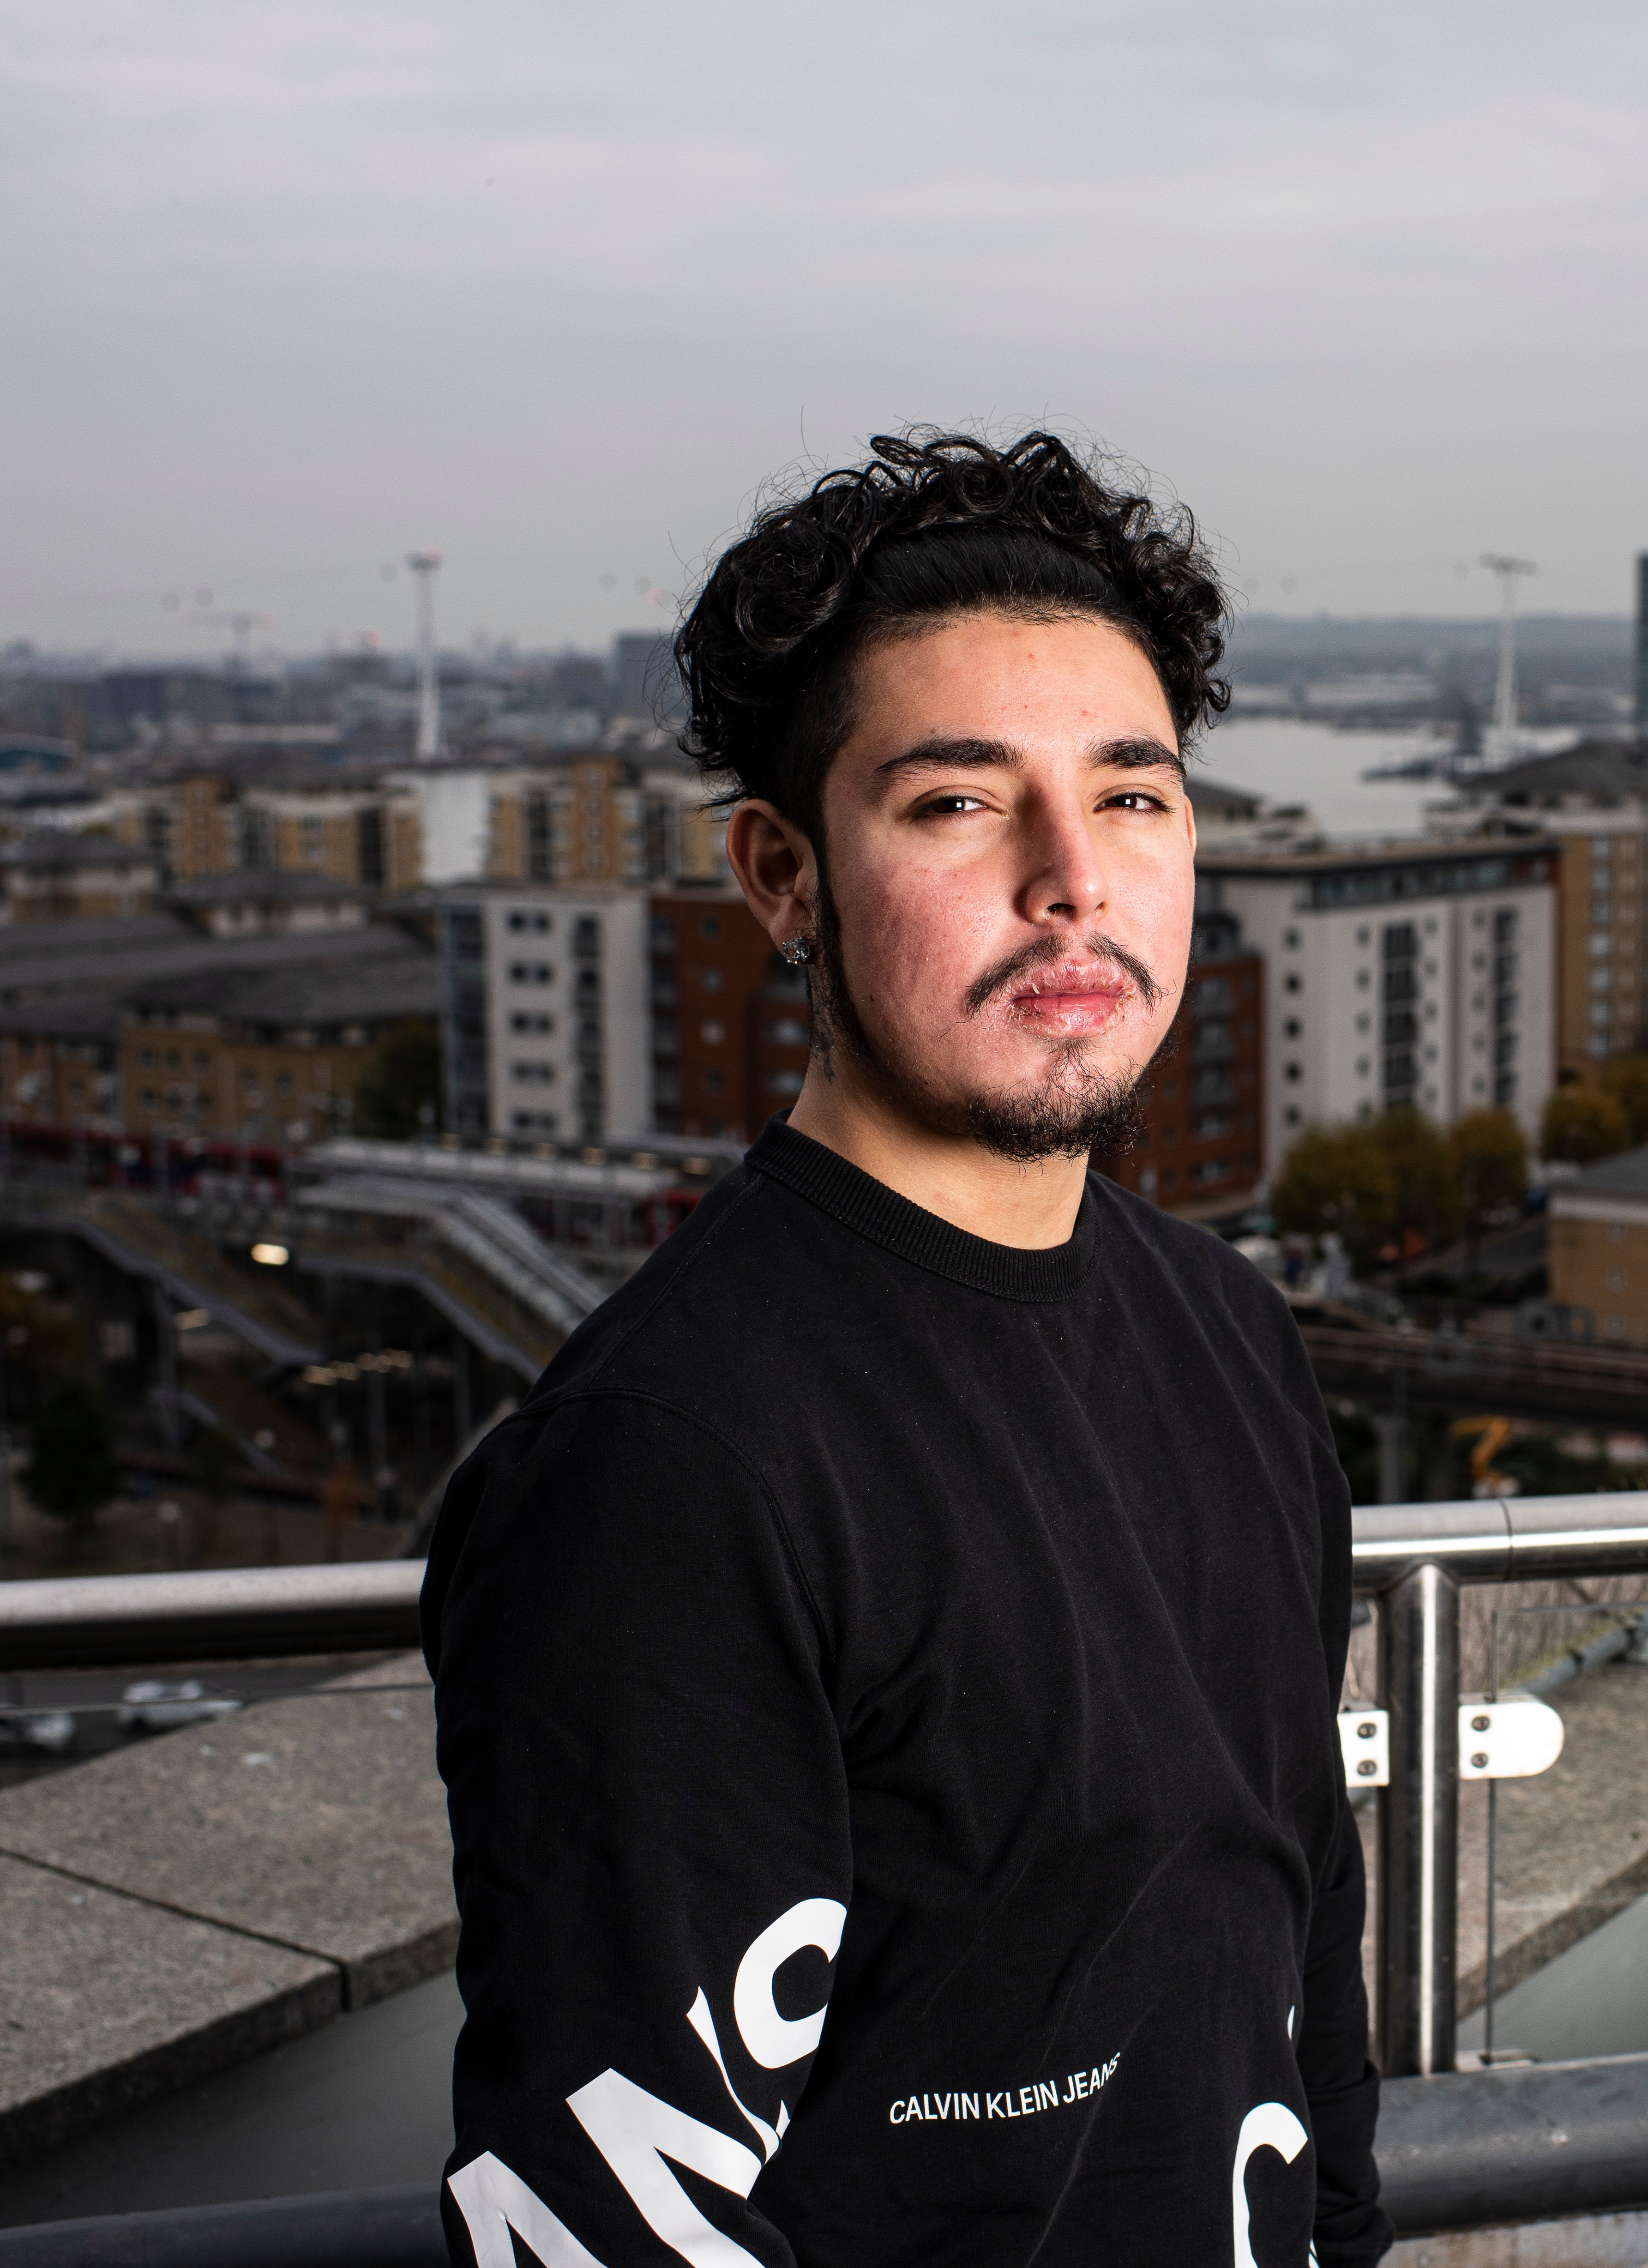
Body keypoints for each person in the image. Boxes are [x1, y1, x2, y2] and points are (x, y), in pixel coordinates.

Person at [422, 432, 1389, 2268]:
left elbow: (1295, 1958)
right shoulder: (671, 1464)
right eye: (957, 802)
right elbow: (601, 2217)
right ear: (784, 876)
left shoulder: (1231, 1332)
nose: (1072, 881)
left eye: (1133, 797)